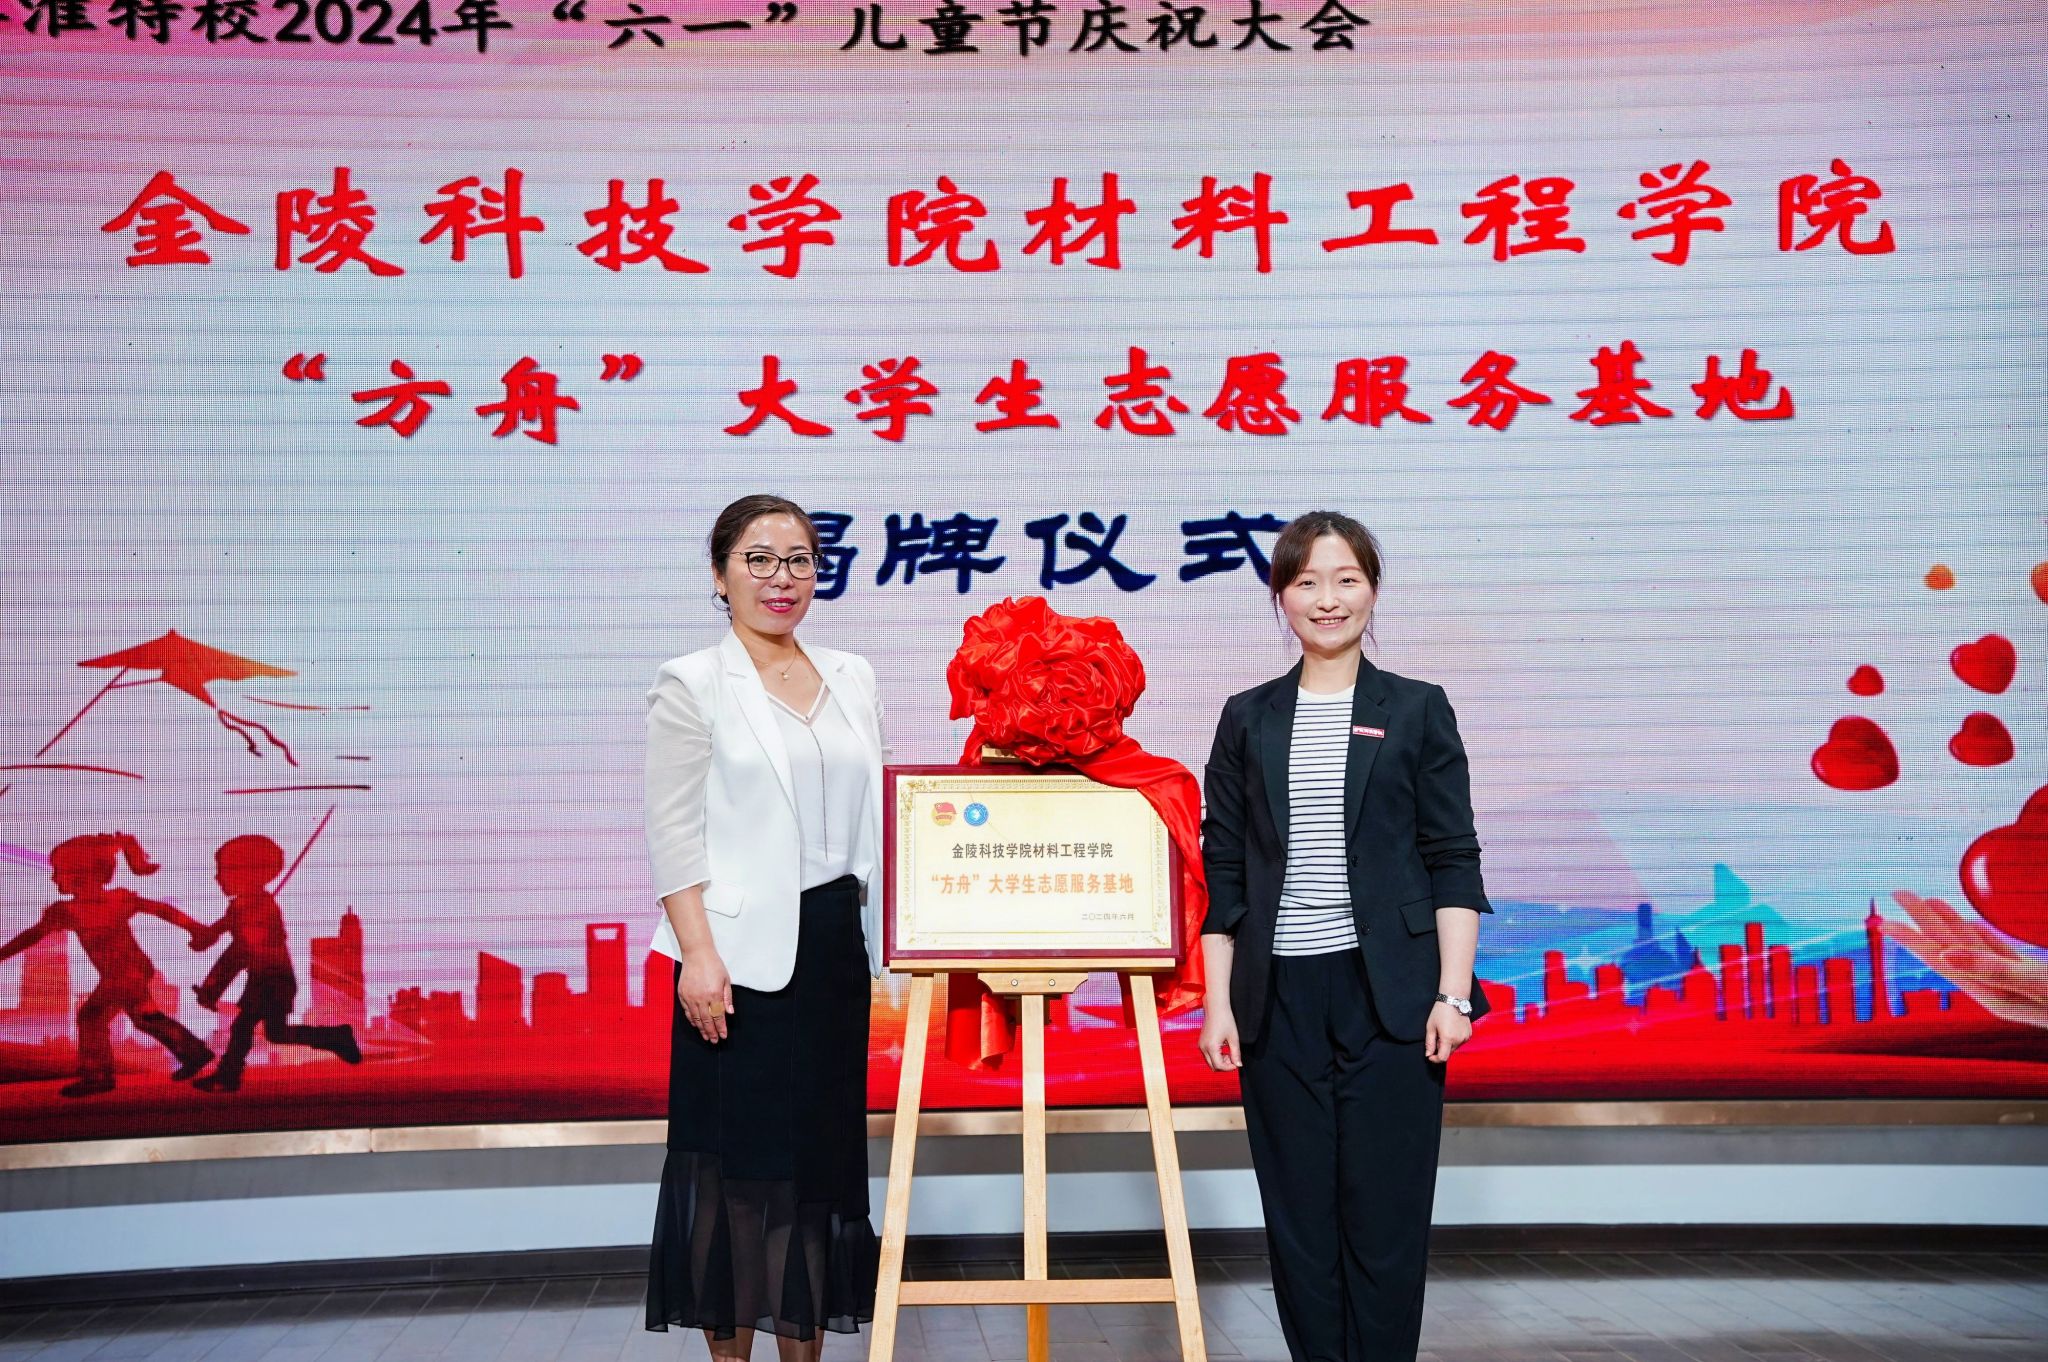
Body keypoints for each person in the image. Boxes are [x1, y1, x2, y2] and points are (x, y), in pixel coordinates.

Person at [1195, 510, 1492, 1362]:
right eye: (1307, 582)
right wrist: (1218, 1003)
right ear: (1281, 597)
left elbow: (1453, 858)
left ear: (1372, 590)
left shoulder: (1418, 709)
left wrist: (1453, 994)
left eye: (1346, 580)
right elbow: (1226, 872)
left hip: (1391, 993)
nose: (1328, 600)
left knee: (1386, 1212)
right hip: (1277, 997)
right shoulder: (1247, 717)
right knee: (1298, 1215)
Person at [642, 494, 886, 1361]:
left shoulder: (853, 675)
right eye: (759, 559)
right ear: (720, 576)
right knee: (739, 1177)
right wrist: (698, 955)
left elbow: (877, 820)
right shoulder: (693, 682)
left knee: (819, 1170)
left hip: (832, 949)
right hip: (735, 963)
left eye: (799, 560)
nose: (782, 579)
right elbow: (672, 832)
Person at [0, 832, 214, 1098]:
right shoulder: (86, 907)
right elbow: (162, 910)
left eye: (59, 871)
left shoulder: (83, 908)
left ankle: (98, 1076)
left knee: (93, 1017)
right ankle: (195, 1053)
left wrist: (196, 928)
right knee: (143, 1019)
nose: (54, 878)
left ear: (81, 874)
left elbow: (30, 937)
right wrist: (196, 928)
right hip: (128, 972)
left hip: (124, 974)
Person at [188, 834, 362, 1093]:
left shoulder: (258, 908)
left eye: (224, 870)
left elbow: (240, 951)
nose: (218, 878)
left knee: (247, 1028)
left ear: (248, 873)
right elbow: (221, 930)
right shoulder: (242, 906)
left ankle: (228, 1076)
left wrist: (212, 988)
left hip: (273, 980)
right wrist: (204, 939)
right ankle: (335, 1036)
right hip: (264, 979)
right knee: (271, 1032)